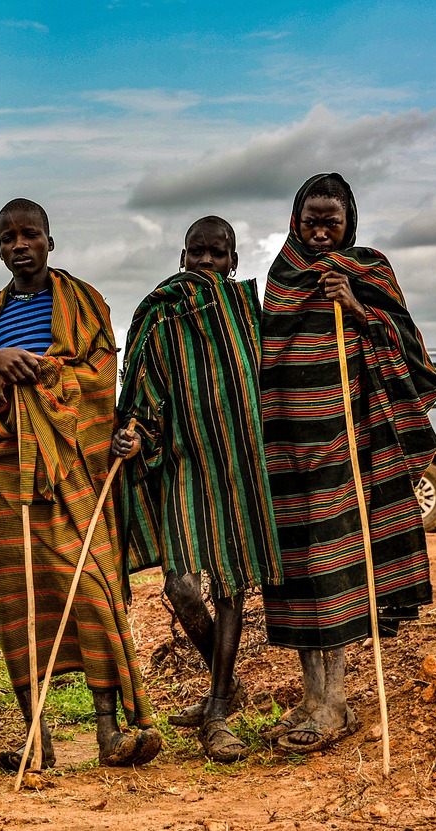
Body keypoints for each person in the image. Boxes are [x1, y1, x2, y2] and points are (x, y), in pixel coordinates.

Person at [0, 198, 160, 772]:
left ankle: (107, 732)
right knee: (18, 598)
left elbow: (99, 381)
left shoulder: (87, 303)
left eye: (30, 235)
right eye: (8, 237)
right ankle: (36, 739)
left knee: (90, 587)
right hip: (4, 478)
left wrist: (32, 368)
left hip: (73, 474)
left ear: (50, 240)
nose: (19, 245)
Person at [259, 173, 436, 752]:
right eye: (310, 220)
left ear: (349, 224)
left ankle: (334, 704)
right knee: (297, 576)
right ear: (295, 220)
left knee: (335, 569)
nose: (319, 232)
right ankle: (312, 699)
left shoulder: (369, 270)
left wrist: (358, 307)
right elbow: (266, 353)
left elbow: (409, 351)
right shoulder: (281, 277)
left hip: (347, 446)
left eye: (330, 222)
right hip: (286, 448)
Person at [112, 216, 283, 762]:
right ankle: (226, 684)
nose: (207, 263)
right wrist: (136, 435)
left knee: (231, 581)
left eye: (218, 254)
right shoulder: (161, 315)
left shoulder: (250, 316)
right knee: (183, 588)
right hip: (183, 465)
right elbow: (142, 387)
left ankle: (216, 709)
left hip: (238, 466)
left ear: (234, 259)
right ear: (182, 256)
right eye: (197, 253)